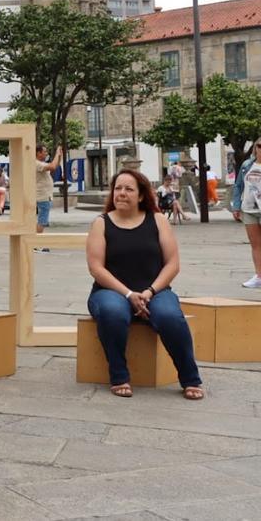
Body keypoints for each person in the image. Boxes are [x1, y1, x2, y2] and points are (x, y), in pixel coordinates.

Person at [85, 170, 203, 400]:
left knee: (169, 316)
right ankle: (119, 375)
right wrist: (129, 294)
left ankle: (190, 378)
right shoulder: (101, 223)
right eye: (118, 188)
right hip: (111, 291)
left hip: (155, 290)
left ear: (140, 196)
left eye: (129, 189)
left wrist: (149, 292)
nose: (121, 193)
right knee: (113, 312)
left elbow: (173, 264)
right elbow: (96, 268)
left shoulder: (157, 220)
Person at [231, 140, 261, 289]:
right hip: (249, 209)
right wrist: (236, 206)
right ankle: (259, 276)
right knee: (255, 244)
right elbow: (238, 186)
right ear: (255, 148)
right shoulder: (247, 165)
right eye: (259, 146)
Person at [35, 145, 63, 237]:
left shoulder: (41, 163)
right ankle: (37, 244)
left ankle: (36, 243)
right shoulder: (37, 163)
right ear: (38, 153)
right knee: (42, 221)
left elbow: (55, 166)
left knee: (42, 220)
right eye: (45, 151)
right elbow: (53, 166)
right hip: (43, 196)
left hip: (45, 196)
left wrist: (59, 157)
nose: (46, 153)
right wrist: (57, 153)